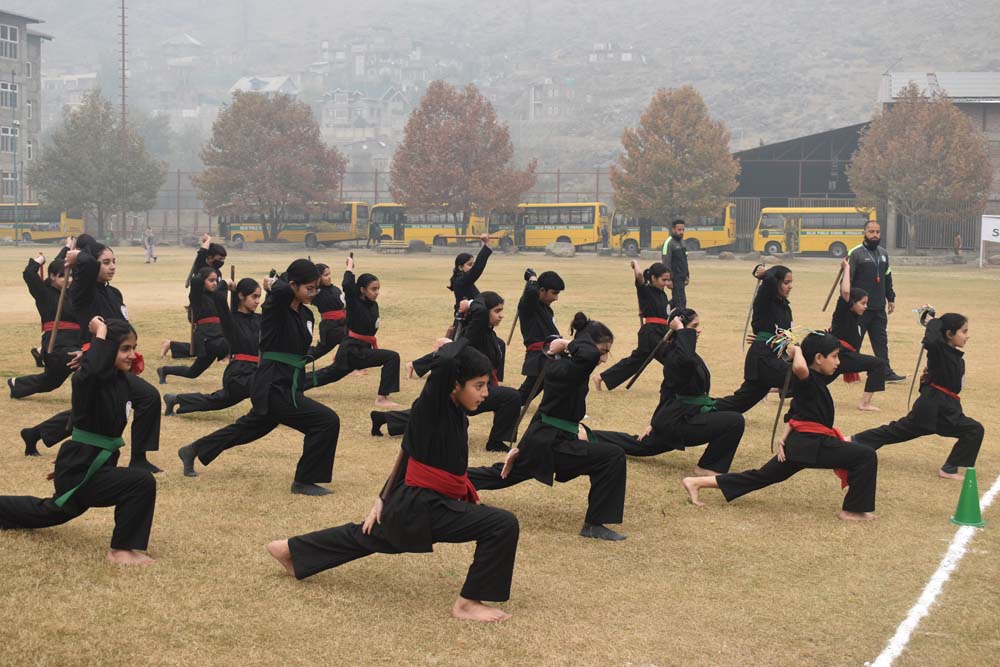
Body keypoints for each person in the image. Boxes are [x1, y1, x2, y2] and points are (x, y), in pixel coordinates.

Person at [266, 340, 518, 623]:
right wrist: (456, 339)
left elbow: (407, 451)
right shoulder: (433, 405)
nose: (485, 393)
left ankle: (290, 549)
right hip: (423, 505)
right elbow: (446, 362)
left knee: (367, 536)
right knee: (502, 524)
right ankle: (467, 604)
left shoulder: (453, 409)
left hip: (420, 502)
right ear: (454, 383)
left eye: (486, 385)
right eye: (479, 385)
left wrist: (383, 497)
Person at [0, 317, 158, 564]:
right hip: (82, 468)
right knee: (140, 482)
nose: (132, 355)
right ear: (107, 350)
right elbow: (95, 369)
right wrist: (100, 333)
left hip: (85, 464)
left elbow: (150, 396)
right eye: (125, 348)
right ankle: (121, 551)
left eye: (134, 348)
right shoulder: (86, 380)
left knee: (51, 512)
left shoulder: (120, 382)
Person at [176, 260, 340, 495]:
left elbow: (303, 348)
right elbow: (280, 290)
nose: (314, 293)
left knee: (248, 428)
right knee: (326, 421)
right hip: (272, 384)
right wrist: (275, 282)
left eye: (316, 288)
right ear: (293, 284)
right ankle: (304, 481)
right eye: (309, 288)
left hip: (289, 383)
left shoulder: (305, 315)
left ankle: (193, 450)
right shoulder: (276, 309)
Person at [682, 333, 880, 522]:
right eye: (835, 357)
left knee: (761, 476)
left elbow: (795, 415)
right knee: (865, 455)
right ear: (819, 358)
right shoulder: (806, 379)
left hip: (802, 444)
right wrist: (798, 351)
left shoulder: (815, 381)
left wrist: (783, 438)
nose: (838, 362)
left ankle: (695, 482)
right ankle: (852, 511)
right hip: (813, 444)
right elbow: (801, 369)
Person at [467, 313, 629, 541]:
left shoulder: (566, 364)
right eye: (603, 351)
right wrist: (569, 343)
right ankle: (593, 525)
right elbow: (589, 354)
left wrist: (521, 446)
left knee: (503, 474)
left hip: (546, 438)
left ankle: (457, 480)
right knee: (612, 457)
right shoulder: (569, 365)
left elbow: (545, 408)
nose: (603, 359)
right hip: (551, 442)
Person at [19, 235, 164, 473]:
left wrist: (130, 351)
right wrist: (77, 255)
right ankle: (137, 459)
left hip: (115, 361)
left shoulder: (114, 293)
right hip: (97, 360)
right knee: (123, 402)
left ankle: (36, 433)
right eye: (106, 262)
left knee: (104, 406)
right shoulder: (82, 291)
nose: (112, 266)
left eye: (113, 261)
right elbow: (86, 265)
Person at [373, 292, 521, 453]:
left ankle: (383, 418)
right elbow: (478, 311)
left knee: (434, 412)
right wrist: (470, 302)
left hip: (473, 386)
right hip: (464, 387)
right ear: (485, 311)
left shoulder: (490, 335)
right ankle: (496, 442)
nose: (502, 315)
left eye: (502, 311)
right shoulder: (475, 331)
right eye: (497, 311)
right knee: (511, 396)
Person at [611, 309, 745, 475]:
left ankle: (591, 436)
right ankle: (707, 468)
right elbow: (684, 364)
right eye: (694, 326)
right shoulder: (676, 357)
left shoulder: (684, 353)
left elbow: (667, 391)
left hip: (682, 415)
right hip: (678, 422)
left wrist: (653, 422)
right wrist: (681, 329)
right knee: (734, 421)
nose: (698, 330)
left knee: (640, 446)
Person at [852, 313, 983, 480]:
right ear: (949, 334)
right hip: (932, 406)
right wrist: (934, 322)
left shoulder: (953, 355)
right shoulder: (938, 351)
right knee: (896, 431)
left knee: (973, 430)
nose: (967, 336)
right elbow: (931, 341)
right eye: (964, 331)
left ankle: (856, 440)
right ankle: (854, 441)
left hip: (945, 407)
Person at [303, 255, 401, 407]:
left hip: (358, 349)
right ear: (362, 289)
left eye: (378, 289)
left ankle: (293, 384)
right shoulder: (355, 303)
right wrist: (350, 266)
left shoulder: (372, 305)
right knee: (392, 357)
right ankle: (382, 398)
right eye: (373, 289)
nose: (377, 292)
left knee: (328, 375)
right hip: (353, 349)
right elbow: (348, 285)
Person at [164, 278, 262, 416]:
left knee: (217, 401)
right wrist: (225, 284)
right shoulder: (231, 320)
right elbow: (218, 297)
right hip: (239, 374)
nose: (257, 301)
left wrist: (271, 288)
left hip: (254, 370)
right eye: (254, 296)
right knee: (268, 384)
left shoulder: (259, 320)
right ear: (241, 296)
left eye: (259, 297)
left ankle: (175, 399)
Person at [714, 265, 794, 414]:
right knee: (804, 379)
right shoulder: (765, 300)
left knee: (739, 404)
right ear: (776, 283)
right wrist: (766, 273)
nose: (790, 286)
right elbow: (769, 280)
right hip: (764, 358)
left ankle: (704, 408)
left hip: (772, 355)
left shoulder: (784, 307)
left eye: (791, 282)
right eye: (786, 282)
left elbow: (784, 334)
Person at [8, 247, 82, 406]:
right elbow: (29, 274)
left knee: (51, 382)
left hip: (76, 341)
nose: (68, 280)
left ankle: (17, 384)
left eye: (70, 276)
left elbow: (60, 264)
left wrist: (67, 250)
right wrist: (38, 262)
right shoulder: (43, 293)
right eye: (63, 277)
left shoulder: (72, 292)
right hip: (56, 345)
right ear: (52, 276)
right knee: (86, 363)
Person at [593, 260, 672, 391]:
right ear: (653, 278)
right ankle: (675, 387)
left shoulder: (662, 294)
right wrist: (635, 263)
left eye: (668, 280)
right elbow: (640, 275)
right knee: (671, 358)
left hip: (661, 331)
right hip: (651, 333)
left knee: (636, 361)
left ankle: (601, 377)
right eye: (664, 280)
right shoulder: (645, 290)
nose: (666, 283)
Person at [848, 220, 904, 382]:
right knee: (854, 341)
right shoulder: (855, 253)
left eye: (877, 232)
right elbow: (847, 281)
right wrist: (850, 303)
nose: (874, 235)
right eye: (871, 231)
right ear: (864, 232)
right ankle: (850, 371)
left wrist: (890, 298)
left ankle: (885, 372)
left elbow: (887, 277)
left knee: (881, 343)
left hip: (879, 307)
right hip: (860, 308)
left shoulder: (884, 254)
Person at [829, 257, 888, 411]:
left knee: (878, 364)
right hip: (838, 355)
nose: (865, 307)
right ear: (851, 303)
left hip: (846, 357)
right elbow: (846, 291)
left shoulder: (857, 318)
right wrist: (847, 268)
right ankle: (776, 388)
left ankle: (865, 402)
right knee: (878, 364)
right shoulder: (843, 311)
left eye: (866, 303)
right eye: (862, 303)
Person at [156, 267, 231, 384]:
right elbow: (195, 281)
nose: (215, 283)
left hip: (217, 334)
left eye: (216, 280)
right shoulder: (197, 296)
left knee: (192, 373)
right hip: (206, 336)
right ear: (202, 281)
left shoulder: (217, 296)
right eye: (211, 280)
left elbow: (224, 292)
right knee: (232, 343)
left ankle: (164, 370)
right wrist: (224, 282)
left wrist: (231, 287)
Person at [161, 234, 228, 359]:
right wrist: (208, 240)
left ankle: (170, 345)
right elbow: (202, 253)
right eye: (219, 259)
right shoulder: (201, 268)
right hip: (202, 311)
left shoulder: (218, 272)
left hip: (214, 310)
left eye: (224, 260)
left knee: (206, 348)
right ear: (210, 257)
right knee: (207, 348)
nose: (221, 262)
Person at [516, 269, 563, 404]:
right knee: (526, 392)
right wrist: (532, 277)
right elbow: (531, 292)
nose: (556, 298)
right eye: (553, 293)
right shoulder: (528, 305)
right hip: (539, 355)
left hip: (548, 353)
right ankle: (508, 402)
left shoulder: (546, 308)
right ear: (541, 290)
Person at [306, 263, 347, 362]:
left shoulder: (335, 289)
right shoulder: (316, 293)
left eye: (329, 274)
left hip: (342, 322)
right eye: (325, 275)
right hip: (330, 327)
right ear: (318, 278)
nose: (329, 277)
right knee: (350, 338)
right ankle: (348, 362)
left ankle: (300, 358)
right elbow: (305, 295)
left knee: (319, 351)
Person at [660, 219, 688, 308]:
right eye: (679, 230)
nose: (681, 232)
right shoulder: (668, 243)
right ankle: (664, 313)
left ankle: (662, 311)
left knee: (678, 301)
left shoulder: (683, 243)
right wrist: (668, 280)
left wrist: (687, 275)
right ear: (673, 229)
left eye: (683, 230)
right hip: (674, 277)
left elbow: (684, 261)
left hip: (681, 278)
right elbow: (666, 262)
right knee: (680, 302)